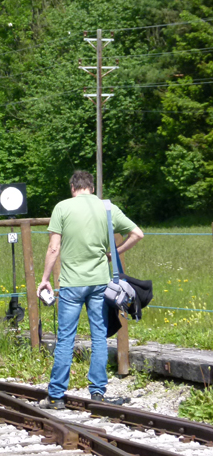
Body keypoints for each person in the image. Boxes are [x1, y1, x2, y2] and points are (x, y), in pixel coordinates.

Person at [37, 171, 144, 409]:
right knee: (99, 337)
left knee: (65, 339)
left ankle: (55, 396)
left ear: (72, 187)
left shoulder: (62, 208)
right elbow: (138, 233)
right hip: (99, 283)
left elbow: (54, 249)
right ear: (92, 188)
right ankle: (97, 394)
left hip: (71, 284)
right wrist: (114, 252)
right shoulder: (107, 208)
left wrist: (45, 279)